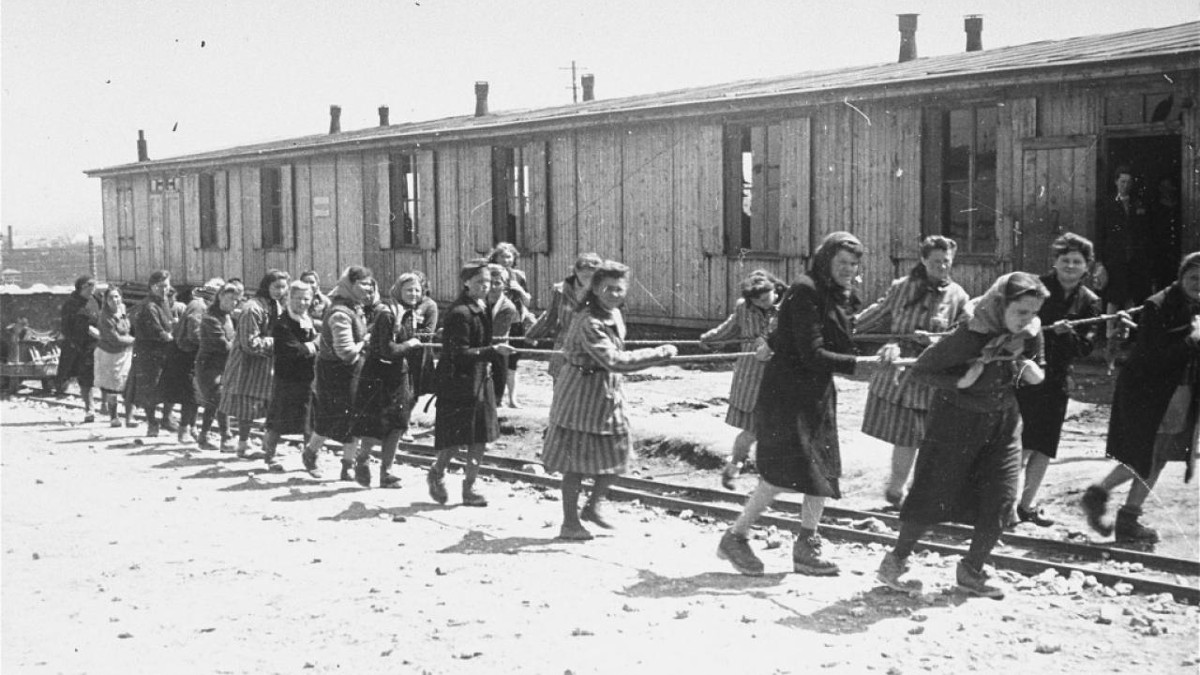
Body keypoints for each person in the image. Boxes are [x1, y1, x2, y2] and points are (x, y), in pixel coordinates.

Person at [717, 232, 884, 577]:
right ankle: (735, 536)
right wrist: (858, 367)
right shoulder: (806, 289)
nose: (849, 270)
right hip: (788, 395)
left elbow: (827, 337)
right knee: (780, 474)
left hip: (816, 392)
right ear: (826, 261)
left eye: (854, 264)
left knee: (822, 469)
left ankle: (807, 545)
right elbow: (811, 352)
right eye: (842, 263)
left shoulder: (835, 294)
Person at [876, 272, 1048, 600]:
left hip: (1003, 423)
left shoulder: (1030, 331)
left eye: (1034, 312)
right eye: (1021, 312)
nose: (1028, 320)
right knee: (932, 492)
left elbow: (1037, 365)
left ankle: (972, 570)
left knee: (1002, 494)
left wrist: (1030, 370)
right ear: (1001, 304)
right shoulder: (970, 333)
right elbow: (920, 372)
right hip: (955, 423)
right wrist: (960, 382)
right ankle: (895, 561)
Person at [543, 261, 677, 539]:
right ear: (595, 289)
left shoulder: (613, 313)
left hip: (606, 392)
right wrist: (658, 354)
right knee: (575, 463)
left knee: (620, 452)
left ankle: (592, 506)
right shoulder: (589, 320)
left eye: (619, 289)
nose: (614, 294)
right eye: (608, 288)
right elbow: (614, 360)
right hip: (580, 394)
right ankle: (570, 523)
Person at [1081, 251, 1200, 545]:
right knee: (1147, 457)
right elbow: (1152, 359)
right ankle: (1099, 494)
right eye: (1194, 278)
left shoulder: (1195, 305)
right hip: (1149, 392)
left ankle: (1128, 517)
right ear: (1181, 276)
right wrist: (1193, 339)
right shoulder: (1158, 305)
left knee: (1157, 457)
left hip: (1178, 391)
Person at [855, 236, 970, 507]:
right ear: (923, 260)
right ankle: (897, 490)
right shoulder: (903, 287)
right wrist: (842, 327)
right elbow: (877, 314)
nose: (942, 266)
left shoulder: (958, 295)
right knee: (908, 435)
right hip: (903, 373)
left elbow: (964, 333)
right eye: (936, 261)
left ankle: (925, 492)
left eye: (946, 261)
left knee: (933, 437)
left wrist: (935, 340)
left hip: (936, 373)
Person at [1013, 234, 1101, 527]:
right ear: (1055, 262)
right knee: (1020, 441)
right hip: (1024, 373)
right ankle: (1000, 502)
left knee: (1045, 444)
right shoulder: (1036, 288)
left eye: (1077, 262)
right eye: (1065, 260)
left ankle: (1026, 506)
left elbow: (1086, 347)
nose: (1071, 266)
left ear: (1086, 267)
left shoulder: (1090, 301)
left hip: (1057, 379)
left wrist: (1069, 335)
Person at [426, 259, 516, 507]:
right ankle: (437, 472)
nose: (485, 287)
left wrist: (491, 353)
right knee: (457, 438)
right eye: (479, 282)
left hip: (479, 379)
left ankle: (470, 488)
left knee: (481, 436)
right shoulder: (459, 313)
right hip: (459, 383)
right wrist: (493, 350)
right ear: (466, 283)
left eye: (488, 282)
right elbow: (459, 353)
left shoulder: (481, 306)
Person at [699, 270, 785, 490]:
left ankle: (769, 476)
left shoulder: (790, 307)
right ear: (751, 301)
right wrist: (708, 339)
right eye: (759, 301)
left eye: (768, 298)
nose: (765, 304)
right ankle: (735, 465)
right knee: (753, 429)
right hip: (752, 379)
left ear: (775, 289)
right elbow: (727, 329)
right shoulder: (743, 309)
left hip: (781, 378)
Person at [349, 274, 424, 487]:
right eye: (409, 290)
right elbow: (387, 350)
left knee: (398, 424)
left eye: (417, 290)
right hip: (379, 375)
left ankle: (386, 472)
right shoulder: (387, 314)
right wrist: (410, 345)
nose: (414, 294)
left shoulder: (408, 314)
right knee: (376, 424)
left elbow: (408, 338)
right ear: (398, 290)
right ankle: (362, 459)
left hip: (399, 375)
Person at [305, 266, 373, 480]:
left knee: (354, 420)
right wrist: (365, 341)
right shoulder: (340, 313)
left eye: (370, 284)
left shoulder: (354, 307)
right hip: (335, 373)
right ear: (350, 285)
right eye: (363, 284)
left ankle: (347, 466)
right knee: (328, 419)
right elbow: (345, 352)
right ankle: (310, 452)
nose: (368, 289)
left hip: (352, 372)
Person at [218, 269, 288, 456]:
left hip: (263, 364)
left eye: (283, 287)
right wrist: (277, 342)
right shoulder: (253, 308)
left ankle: (262, 444)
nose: (280, 291)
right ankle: (243, 444)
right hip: (247, 365)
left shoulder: (274, 306)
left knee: (259, 404)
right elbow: (249, 343)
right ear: (267, 286)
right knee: (245, 405)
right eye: (276, 287)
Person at [260, 280, 319, 472]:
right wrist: (316, 344)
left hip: (307, 377)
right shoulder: (282, 324)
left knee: (309, 420)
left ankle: (310, 460)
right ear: (289, 299)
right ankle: (269, 455)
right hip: (287, 378)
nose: (303, 303)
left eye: (306, 299)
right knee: (278, 418)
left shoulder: (307, 318)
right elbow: (294, 350)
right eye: (298, 299)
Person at [160, 278, 222, 445]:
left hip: (191, 353)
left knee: (194, 394)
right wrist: (212, 341)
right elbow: (194, 333)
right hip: (185, 354)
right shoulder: (199, 306)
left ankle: (192, 428)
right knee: (190, 395)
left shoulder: (204, 305)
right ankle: (184, 430)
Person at [527, 252, 602, 379]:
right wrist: (533, 334)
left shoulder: (603, 292)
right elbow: (550, 316)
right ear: (576, 271)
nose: (588, 279)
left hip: (593, 344)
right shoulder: (561, 291)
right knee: (561, 385)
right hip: (565, 344)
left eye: (592, 275)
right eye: (584, 273)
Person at [1095, 166, 1151, 323]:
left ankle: (1127, 332)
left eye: (1128, 182)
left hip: (1134, 259)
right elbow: (1101, 234)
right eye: (1122, 181)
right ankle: (1110, 334)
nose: (1125, 185)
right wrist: (1099, 261)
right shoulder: (1107, 204)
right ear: (1116, 182)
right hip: (1114, 259)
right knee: (1114, 297)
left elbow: (1145, 231)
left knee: (1131, 297)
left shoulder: (1138, 203)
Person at [129, 270, 175, 436]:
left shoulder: (164, 303)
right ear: (152, 287)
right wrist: (172, 337)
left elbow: (170, 324)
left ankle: (166, 418)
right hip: (150, 353)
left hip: (163, 352)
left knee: (169, 385)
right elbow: (157, 330)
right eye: (160, 286)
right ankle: (152, 423)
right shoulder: (149, 306)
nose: (164, 290)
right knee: (151, 388)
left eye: (167, 286)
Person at [194, 284, 238, 451]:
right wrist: (239, 340)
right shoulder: (210, 319)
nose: (234, 303)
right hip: (208, 366)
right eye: (230, 299)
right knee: (218, 398)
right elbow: (224, 346)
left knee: (216, 401)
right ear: (220, 297)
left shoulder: (227, 317)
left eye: (236, 300)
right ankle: (225, 436)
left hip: (223, 365)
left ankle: (203, 436)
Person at [488, 243, 532, 407]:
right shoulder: (490, 274)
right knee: (496, 359)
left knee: (512, 361)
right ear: (495, 257)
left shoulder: (519, 276)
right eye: (502, 256)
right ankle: (494, 398)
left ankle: (512, 399)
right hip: (497, 321)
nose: (506, 260)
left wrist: (519, 290)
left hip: (515, 322)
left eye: (509, 256)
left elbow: (527, 301)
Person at [56, 274, 101, 422]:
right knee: (85, 377)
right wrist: (78, 338)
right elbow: (66, 326)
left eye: (93, 286)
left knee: (101, 375)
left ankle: (106, 407)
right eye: (88, 286)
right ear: (80, 287)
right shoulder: (71, 303)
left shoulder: (95, 300)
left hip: (97, 343)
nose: (91, 289)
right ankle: (90, 409)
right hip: (79, 345)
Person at [93, 285, 134, 427]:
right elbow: (114, 338)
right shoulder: (104, 317)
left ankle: (129, 418)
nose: (114, 300)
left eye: (117, 296)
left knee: (128, 384)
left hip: (124, 352)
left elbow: (126, 326)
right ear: (106, 300)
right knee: (111, 387)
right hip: (109, 354)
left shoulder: (122, 309)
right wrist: (134, 340)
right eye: (111, 297)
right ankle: (114, 417)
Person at [486, 263, 519, 402]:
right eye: (489, 282)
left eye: (497, 283)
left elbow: (496, 334)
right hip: (479, 350)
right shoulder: (478, 301)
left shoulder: (507, 307)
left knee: (494, 396)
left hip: (497, 352)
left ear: (504, 286)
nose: (493, 287)